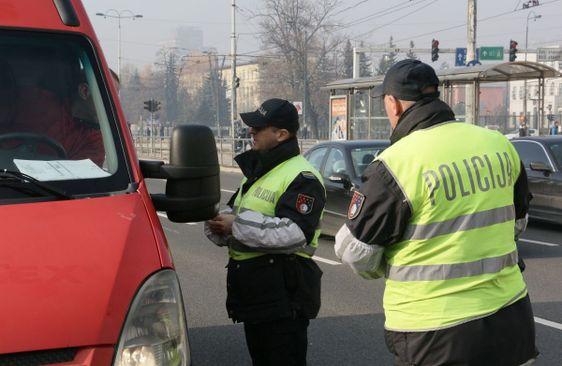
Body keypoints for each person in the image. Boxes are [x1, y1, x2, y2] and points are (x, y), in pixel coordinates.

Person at [334, 59, 537, 366]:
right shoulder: (498, 145)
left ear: (393, 104)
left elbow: (353, 251)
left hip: (434, 332)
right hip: (510, 317)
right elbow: (517, 223)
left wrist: (384, 266)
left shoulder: (396, 164)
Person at [205, 98, 326, 366]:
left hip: (283, 299)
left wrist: (235, 225)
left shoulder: (301, 176)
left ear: (282, 134)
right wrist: (218, 224)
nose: (251, 132)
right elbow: (239, 217)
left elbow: (294, 233)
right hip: (258, 297)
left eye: (259, 128)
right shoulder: (260, 171)